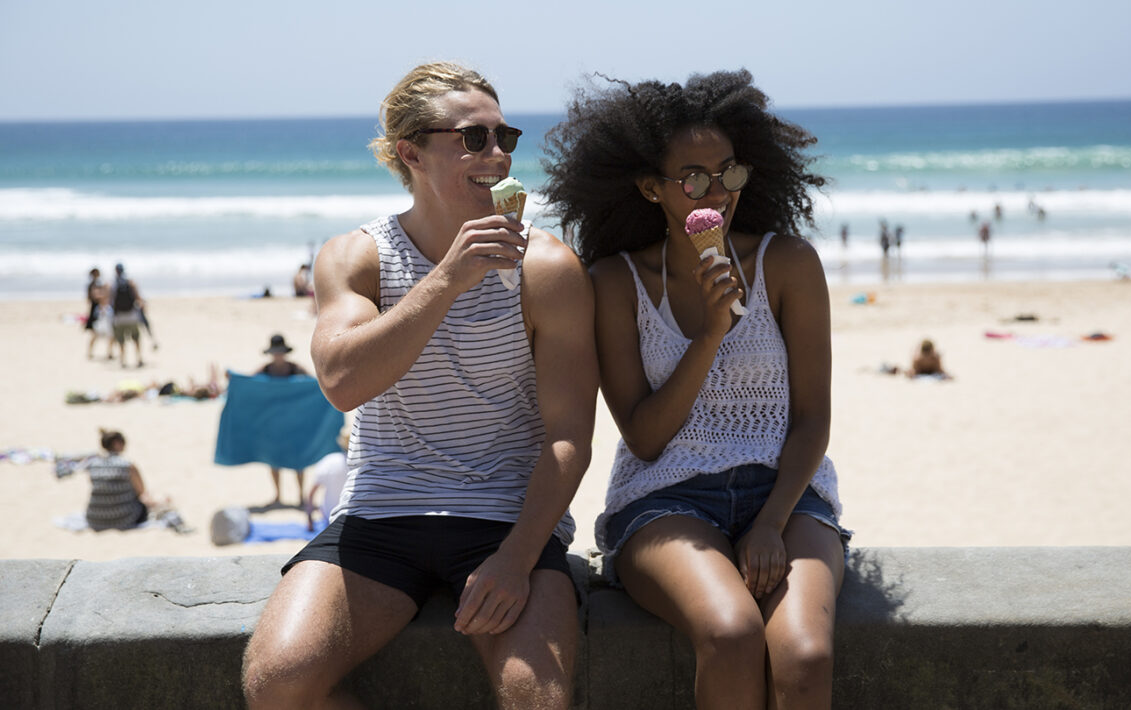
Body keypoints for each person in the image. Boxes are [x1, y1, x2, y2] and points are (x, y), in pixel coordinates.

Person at [242, 61, 597, 710]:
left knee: (534, 696)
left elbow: (570, 433)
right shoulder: (358, 257)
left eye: (504, 137)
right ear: (411, 152)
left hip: (507, 516)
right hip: (381, 510)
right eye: (473, 139)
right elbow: (343, 383)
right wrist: (446, 280)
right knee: (277, 681)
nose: (497, 155)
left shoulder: (546, 266)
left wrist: (518, 558)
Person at [544, 69, 849, 709]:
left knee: (806, 653)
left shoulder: (787, 264)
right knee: (731, 631)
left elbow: (812, 420)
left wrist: (770, 522)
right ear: (650, 187)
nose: (718, 192)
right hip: (665, 499)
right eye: (694, 179)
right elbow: (647, 437)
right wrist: (712, 332)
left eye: (729, 172)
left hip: (788, 496)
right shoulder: (615, 282)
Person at [84, 429, 185, 531]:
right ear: (117, 444)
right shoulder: (127, 465)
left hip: (94, 518)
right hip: (124, 518)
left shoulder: (93, 465)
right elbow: (141, 493)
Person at [256, 334, 309, 505]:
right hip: (273, 423)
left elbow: (313, 386)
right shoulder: (265, 369)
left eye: (280, 352)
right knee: (273, 460)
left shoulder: (296, 368)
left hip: (294, 422)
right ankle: (278, 496)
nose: (277, 355)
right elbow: (249, 385)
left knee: (298, 461)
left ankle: (301, 496)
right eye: (275, 352)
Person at [110, 263, 145, 368]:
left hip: (119, 317)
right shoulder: (131, 282)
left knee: (121, 340)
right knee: (136, 338)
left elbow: (109, 301)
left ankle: (123, 360)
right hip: (132, 316)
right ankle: (139, 359)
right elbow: (138, 299)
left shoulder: (113, 284)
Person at [83, 268, 110, 359]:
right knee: (95, 334)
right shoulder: (93, 285)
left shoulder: (96, 284)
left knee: (107, 333)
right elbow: (93, 297)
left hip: (99, 310)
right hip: (95, 310)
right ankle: (90, 352)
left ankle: (108, 352)